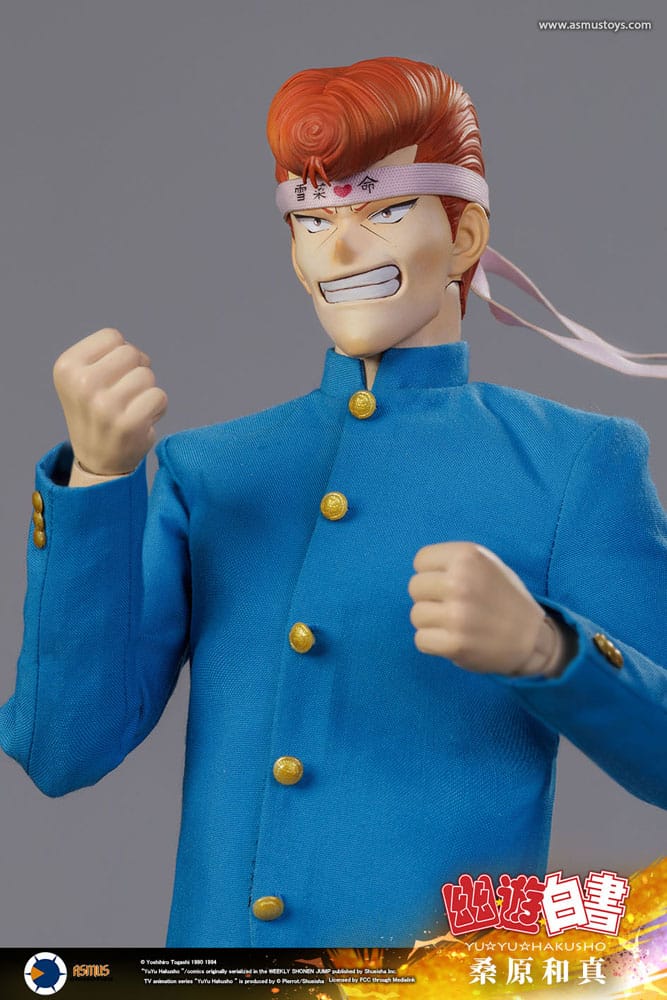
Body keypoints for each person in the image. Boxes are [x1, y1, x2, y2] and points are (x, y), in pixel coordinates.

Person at [1, 57, 665, 948]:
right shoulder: (210, 471)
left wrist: (551, 650)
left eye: (382, 211)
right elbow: (61, 751)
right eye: (312, 219)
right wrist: (97, 480)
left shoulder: (573, 464)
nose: (339, 250)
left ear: (464, 236)